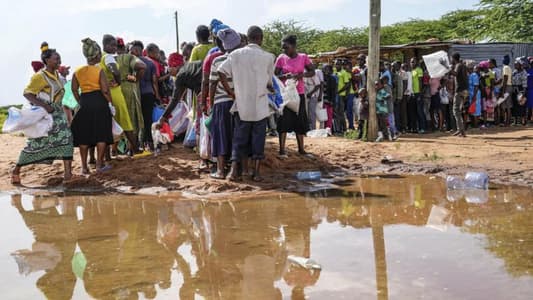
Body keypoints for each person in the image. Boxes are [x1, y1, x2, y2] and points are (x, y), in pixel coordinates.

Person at [11, 42, 74, 185]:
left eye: (59, 58)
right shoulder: (40, 76)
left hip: (59, 113)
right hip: (47, 115)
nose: (59, 61)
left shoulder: (57, 75)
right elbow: (27, 93)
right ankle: (16, 170)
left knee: (67, 140)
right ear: (47, 60)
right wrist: (45, 106)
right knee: (36, 144)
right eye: (56, 58)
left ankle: (68, 174)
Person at [218, 25, 275, 181]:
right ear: (260, 39)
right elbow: (269, 83)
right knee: (258, 139)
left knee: (239, 138)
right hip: (260, 105)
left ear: (248, 38)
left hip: (242, 104)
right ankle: (256, 173)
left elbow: (221, 72)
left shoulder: (235, 55)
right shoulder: (268, 57)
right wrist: (272, 89)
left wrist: (231, 92)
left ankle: (234, 172)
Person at [70, 38, 114, 174]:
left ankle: (84, 167)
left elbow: (73, 89)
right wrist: (110, 103)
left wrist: (80, 100)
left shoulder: (77, 71)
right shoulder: (99, 70)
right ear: (97, 55)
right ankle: (99, 165)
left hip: (84, 102)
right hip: (99, 102)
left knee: (84, 136)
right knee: (101, 134)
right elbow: (105, 90)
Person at [208, 28, 241, 179]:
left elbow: (212, 84)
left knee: (220, 135)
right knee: (236, 135)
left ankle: (220, 171)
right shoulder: (241, 58)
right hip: (239, 102)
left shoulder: (217, 60)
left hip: (221, 102)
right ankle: (237, 169)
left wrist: (210, 103)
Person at [275, 34, 315, 158]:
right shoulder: (281, 58)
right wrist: (284, 76)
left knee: (300, 120)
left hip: (299, 94)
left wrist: (300, 76)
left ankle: (301, 149)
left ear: (293, 46)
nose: (284, 50)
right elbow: (275, 75)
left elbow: (312, 72)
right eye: (283, 48)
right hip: (286, 95)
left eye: (286, 47)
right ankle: (282, 149)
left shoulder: (303, 57)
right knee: (283, 121)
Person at [100, 34, 137, 153]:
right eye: (112, 45)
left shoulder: (99, 57)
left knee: (107, 123)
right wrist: (119, 81)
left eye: (116, 45)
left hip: (103, 92)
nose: (115, 48)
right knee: (125, 120)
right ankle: (135, 149)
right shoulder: (109, 57)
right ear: (105, 45)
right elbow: (115, 71)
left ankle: (109, 154)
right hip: (115, 92)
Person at [116, 38, 146, 154]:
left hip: (115, 91)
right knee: (131, 120)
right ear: (125, 48)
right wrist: (134, 79)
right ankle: (131, 148)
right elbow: (142, 66)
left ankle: (116, 150)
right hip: (129, 90)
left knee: (117, 119)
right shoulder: (129, 58)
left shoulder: (109, 59)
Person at [131, 40, 160, 150]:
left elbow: (132, 78)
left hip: (137, 94)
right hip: (149, 93)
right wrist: (157, 95)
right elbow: (154, 82)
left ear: (136, 50)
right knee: (148, 119)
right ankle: (150, 143)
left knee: (138, 119)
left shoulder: (133, 62)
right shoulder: (150, 63)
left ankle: (139, 143)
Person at [442, 52, 469, 137]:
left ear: (454, 59)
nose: (451, 60)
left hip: (460, 90)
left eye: (451, 58)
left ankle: (461, 130)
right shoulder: (463, 66)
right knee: (459, 110)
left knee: (456, 110)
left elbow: (455, 74)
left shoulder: (458, 65)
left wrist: (445, 66)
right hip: (464, 90)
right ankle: (460, 129)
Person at [333, 59, 350, 134]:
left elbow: (347, 84)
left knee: (341, 112)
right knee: (336, 112)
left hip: (341, 95)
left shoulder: (344, 73)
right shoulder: (334, 72)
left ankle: (344, 128)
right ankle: (338, 128)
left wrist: (339, 91)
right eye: (336, 64)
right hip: (335, 95)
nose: (337, 65)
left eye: (339, 64)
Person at [304, 63, 323, 130]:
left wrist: (310, 93)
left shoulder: (313, 74)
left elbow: (318, 85)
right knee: (306, 112)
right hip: (305, 95)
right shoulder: (304, 74)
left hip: (312, 95)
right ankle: (307, 128)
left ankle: (312, 128)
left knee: (311, 113)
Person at [512, 59, 528, 126]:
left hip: (521, 89)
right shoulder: (514, 72)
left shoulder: (524, 72)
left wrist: (523, 93)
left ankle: (523, 121)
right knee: (515, 105)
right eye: (514, 64)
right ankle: (515, 121)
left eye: (516, 64)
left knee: (522, 105)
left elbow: (524, 84)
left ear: (520, 65)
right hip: (515, 89)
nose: (515, 65)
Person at [411, 58, 425, 133]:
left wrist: (420, 93)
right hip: (412, 93)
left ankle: (422, 128)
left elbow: (420, 82)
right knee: (414, 112)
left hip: (418, 93)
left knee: (420, 111)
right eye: (411, 62)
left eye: (413, 62)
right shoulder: (412, 71)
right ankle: (415, 128)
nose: (412, 63)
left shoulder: (419, 70)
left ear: (416, 62)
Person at [499, 55, 513, 127]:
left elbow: (505, 78)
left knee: (507, 106)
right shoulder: (509, 68)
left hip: (506, 87)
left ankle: (507, 122)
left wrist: (503, 91)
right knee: (505, 105)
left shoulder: (505, 67)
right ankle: (506, 122)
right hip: (509, 86)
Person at [322, 64, 337, 131]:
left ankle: (328, 129)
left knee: (329, 116)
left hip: (329, 100)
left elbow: (334, 91)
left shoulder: (332, 78)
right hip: (321, 100)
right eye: (325, 68)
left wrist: (332, 101)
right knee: (323, 115)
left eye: (328, 69)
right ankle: (323, 129)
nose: (326, 70)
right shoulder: (321, 77)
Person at [401, 63, 414, 133]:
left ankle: (407, 127)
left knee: (406, 111)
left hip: (406, 94)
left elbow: (408, 85)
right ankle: (409, 127)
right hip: (409, 94)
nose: (402, 69)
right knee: (407, 111)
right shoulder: (409, 73)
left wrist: (407, 93)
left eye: (403, 67)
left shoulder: (407, 73)